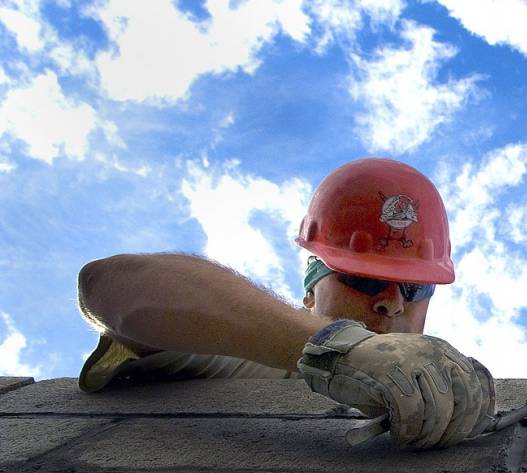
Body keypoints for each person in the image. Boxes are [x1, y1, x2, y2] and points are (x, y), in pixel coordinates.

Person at [77, 157, 495, 449]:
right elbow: (108, 285)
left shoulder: (442, 397)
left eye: (415, 288)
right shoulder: (242, 357)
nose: (392, 303)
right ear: (312, 290)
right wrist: (339, 348)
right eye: (362, 279)